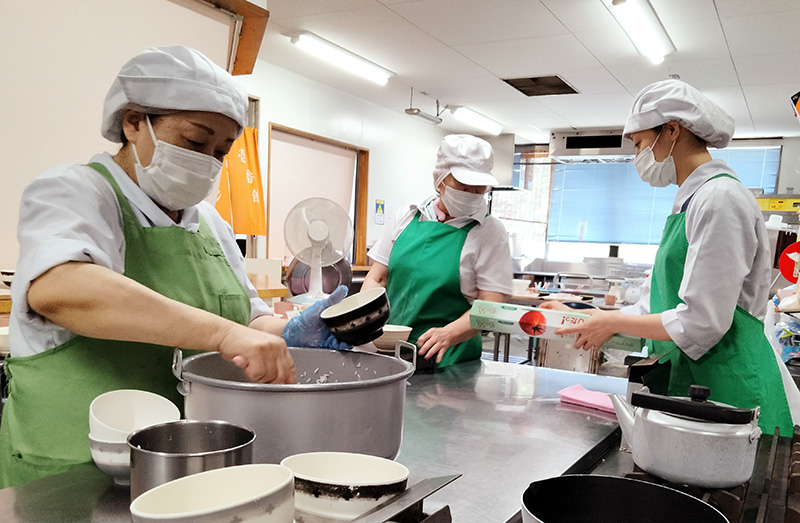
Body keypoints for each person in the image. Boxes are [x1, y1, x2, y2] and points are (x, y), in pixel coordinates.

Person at [0, 45, 348, 488]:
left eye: (220, 151)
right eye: (194, 142)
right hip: (70, 475)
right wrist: (223, 334)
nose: (207, 162)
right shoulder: (75, 191)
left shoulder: (212, 225)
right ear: (133, 122)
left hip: (181, 462)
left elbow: (246, 318)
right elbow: (62, 290)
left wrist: (293, 332)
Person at [543, 79, 792, 434]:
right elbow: (651, 310)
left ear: (672, 131)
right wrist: (587, 317)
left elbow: (702, 322)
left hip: (729, 384)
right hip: (696, 378)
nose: (637, 157)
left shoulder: (720, 199)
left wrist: (610, 323)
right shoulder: (691, 202)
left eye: (640, 143)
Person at [362, 134, 513, 370]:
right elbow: (377, 277)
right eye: (463, 186)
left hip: (450, 361)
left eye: (479, 188)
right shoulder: (406, 217)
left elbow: (491, 304)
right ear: (439, 180)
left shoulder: (489, 232)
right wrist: (364, 319)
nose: (472, 193)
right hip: (389, 351)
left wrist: (449, 334)